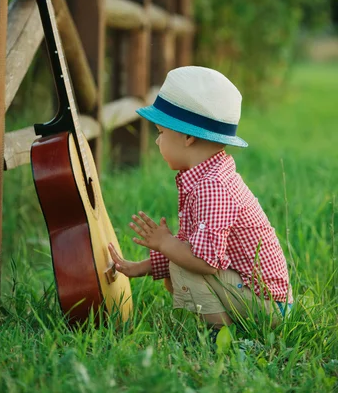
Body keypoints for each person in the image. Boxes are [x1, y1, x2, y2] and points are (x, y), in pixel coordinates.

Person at [108, 66, 293, 333]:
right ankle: (220, 326)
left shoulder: (212, 187)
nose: (158, 142)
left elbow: (203, 262)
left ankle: (218, 336)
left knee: (181, 264)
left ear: (187, 137)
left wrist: (164, 243)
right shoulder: (207, 177)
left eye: (160, 132)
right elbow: (193, 245)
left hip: (267, 305)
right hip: (263, 297)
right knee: (179, 259)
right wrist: (142, 266)